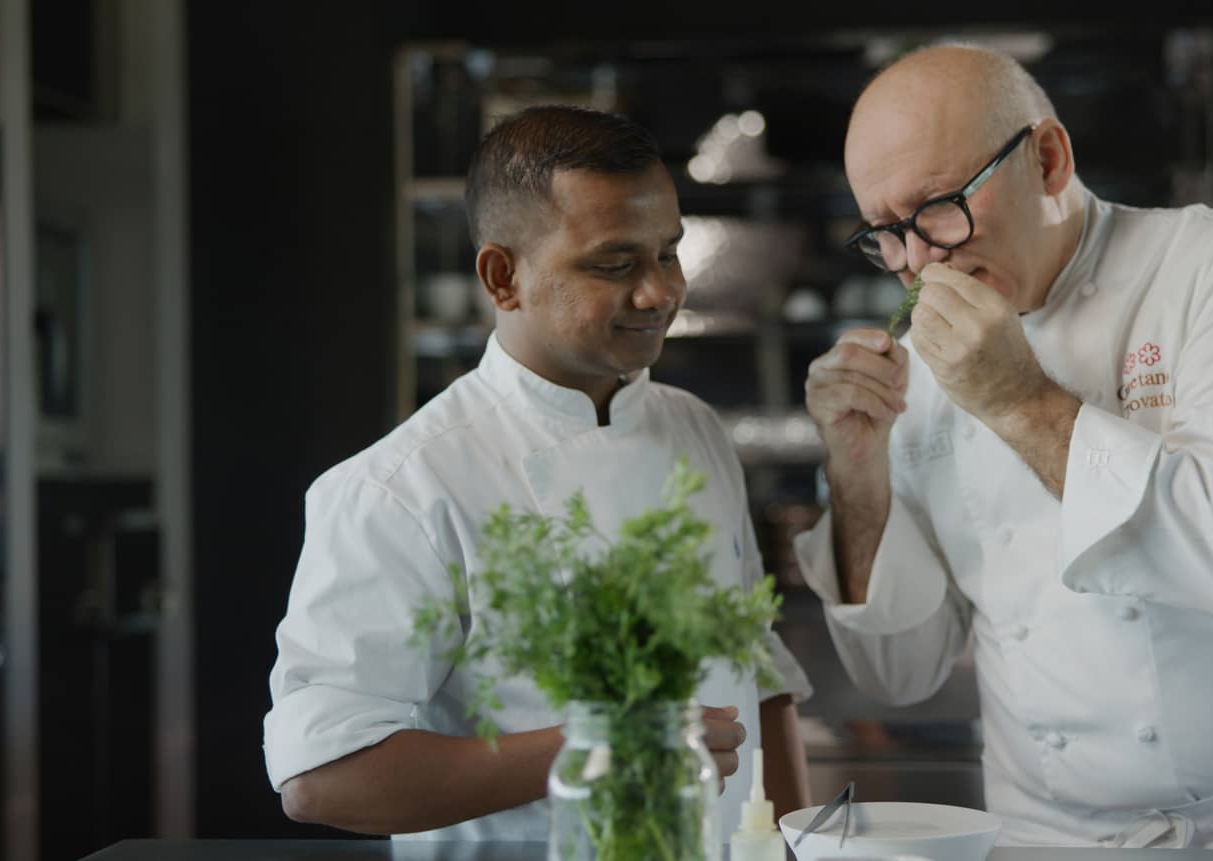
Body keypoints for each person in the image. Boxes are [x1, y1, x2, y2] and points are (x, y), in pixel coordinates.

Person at [796, 44, 1213, 849]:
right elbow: (899, 670)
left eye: (938, 205)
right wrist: (855, 474)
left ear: (1047, 157)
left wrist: (1016, 399)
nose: (921, 260)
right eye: (887, 234)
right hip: (1047, 835)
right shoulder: (924, 363)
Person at [264, 105, 811, 841]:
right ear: (502, 276)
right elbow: (323, 774)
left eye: (668, 253)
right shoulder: (398, 488)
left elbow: (757, 670)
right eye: (614, 263)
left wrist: (789, 843)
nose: (658, 293)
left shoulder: (695, 428)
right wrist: (603, 745)